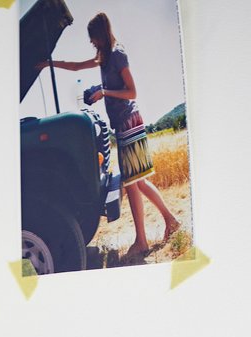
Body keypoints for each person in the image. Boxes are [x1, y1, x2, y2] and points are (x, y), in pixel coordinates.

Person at [48, 11, 180, 262]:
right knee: (138, 181)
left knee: (132, 183)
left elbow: (132, 92)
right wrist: (49, 64)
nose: (91, 43)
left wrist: (104, 92)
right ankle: (171, 220)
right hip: (123, 125)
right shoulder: (104, 57)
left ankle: (141, 241)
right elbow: (76, 66)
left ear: (101, 33)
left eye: (93, 38)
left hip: (130, 122)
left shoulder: (117, 54)